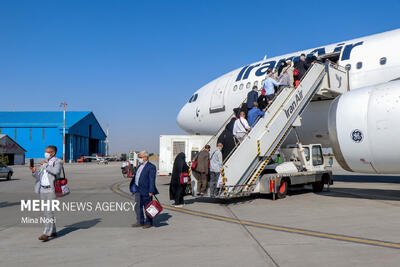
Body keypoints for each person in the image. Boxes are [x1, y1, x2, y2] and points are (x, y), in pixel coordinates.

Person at [30, 145, 63, 241]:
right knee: (46, 212)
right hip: (43, 189)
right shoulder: (45, 162)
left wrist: (45, 165)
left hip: (51, 189)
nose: (46, 153)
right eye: (45, 151)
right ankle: (53, 230)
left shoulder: (58, 161)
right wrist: (34, 172)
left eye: (47, 152)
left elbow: (56, 171)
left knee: (48, 211)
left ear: (53, 153)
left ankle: (46, 233)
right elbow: (38, 177)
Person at [130, 151, 159, 228]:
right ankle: (140, 221)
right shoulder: (140, 166)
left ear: (146, 157)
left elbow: (152, 180)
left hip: (146, 190)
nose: (140, 159)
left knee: (148, 207)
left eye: (141, 157)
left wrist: (151, 191)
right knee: (137, 206)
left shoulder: (151, 167)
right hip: (138, 190)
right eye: (139, 157)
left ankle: (148, 222)